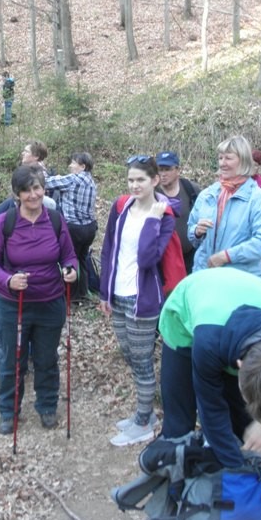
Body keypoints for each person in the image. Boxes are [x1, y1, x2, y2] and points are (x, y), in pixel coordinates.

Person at [158, 268, 261, 468]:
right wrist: (236, 470)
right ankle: (173, 484)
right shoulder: (207, 344)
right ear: (239, 365)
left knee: (243, 419)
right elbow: (211, 409)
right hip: (185, 316)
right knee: (179, 425)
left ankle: (224, 484)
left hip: (232, 313)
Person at [0, 166, 78, 435]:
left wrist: (71, 271)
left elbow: (69, 256)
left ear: (44, 189)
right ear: (17, 193)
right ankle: (8, 410)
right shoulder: (5, 223)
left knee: (47, 358)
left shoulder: (56, 220)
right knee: (13, 359)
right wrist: (8, 280)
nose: (33, 195)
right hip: (14, 304)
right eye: (26, 190)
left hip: (50, 302)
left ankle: (47, 406)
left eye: (37, 188)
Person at [99, 155, 178, 447]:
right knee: (130, 355)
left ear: (155, 180)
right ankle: (144, 413)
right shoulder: (121, 207)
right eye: (131, 180)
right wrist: (105, 293)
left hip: (142, 300)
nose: (134, 185)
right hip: (117, 296)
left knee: (142, 361)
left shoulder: (164, 216)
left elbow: (147, 258)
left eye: (141, 180)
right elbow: (109, 250)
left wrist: (153, 220)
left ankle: (144, 421)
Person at [187, 135, 261, 277]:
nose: (222, 163)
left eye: (228, 158)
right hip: (204, 278)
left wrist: (227, 256)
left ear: (243, 161)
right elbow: (191, 234)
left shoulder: (256, 198)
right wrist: (197, 231)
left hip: (240, 281)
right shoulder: (207, 195)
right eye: (220, 158)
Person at [45, 152, 98, 300]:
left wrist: (39, 173)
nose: (70, 165)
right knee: (82, 259)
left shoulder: (74, 179)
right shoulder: (92, 182)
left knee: (70, 260)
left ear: (82, 166)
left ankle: (71, 296)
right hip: (90, 228)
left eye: (73, 163)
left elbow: (49, 182)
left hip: (74, 227)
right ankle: (83, 292)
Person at [155, 151, 201, 274]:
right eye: (160, 169)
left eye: (167, 169)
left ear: (178, 170)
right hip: (163, 259)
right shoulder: (152, 193)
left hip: (190, 257)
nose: (163, 174)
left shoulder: (191, 189)